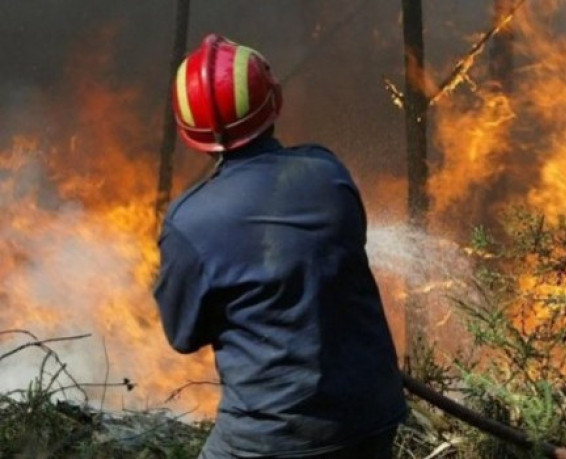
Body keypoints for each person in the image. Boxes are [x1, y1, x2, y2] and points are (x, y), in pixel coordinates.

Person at [153, 34, 407, 458]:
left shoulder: (189, 222)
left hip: (271, 438)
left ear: (188, 131)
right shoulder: (327, 173)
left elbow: (183, 336)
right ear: (273, 103)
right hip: (370, 419)